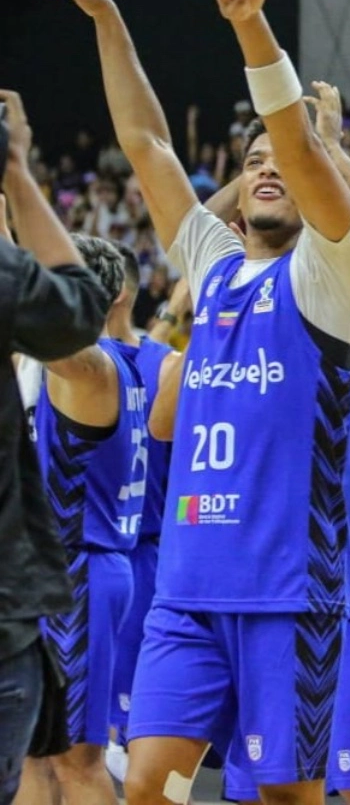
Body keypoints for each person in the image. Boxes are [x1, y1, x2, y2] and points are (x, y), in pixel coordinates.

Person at [40, 0, 350, 805]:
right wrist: (108, 17)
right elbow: (148, 147)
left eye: (282, 161)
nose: (267, 167)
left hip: (288, 590)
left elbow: (301, 145)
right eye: (252, 160)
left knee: (284, 798)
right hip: (188, 586)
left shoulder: (336, 273)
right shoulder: (216, 267)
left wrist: (250, 31)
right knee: (145, 785)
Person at [215, 81, 350, 805]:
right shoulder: (230, 309)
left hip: (347, 588)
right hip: (251, 583)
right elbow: (187, 225)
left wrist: (320, 151)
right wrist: (265, 157)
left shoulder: (348, 317)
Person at [0, 89, 110, 805]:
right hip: (28, 585)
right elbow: (73, 307)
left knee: (75, 765)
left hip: (97, 561)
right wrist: (15, 166)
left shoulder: (106, 371)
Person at [12, 227, 146, 805]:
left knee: (77, 762)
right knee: (31, 758)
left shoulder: (92, 367)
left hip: (81, 575)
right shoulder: (73, 368)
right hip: (54, 575)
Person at [106, 245, 180, 780]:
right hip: (87, 561)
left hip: (137, 555)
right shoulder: (160, 359)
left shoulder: (161, 361)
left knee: (123, 750)